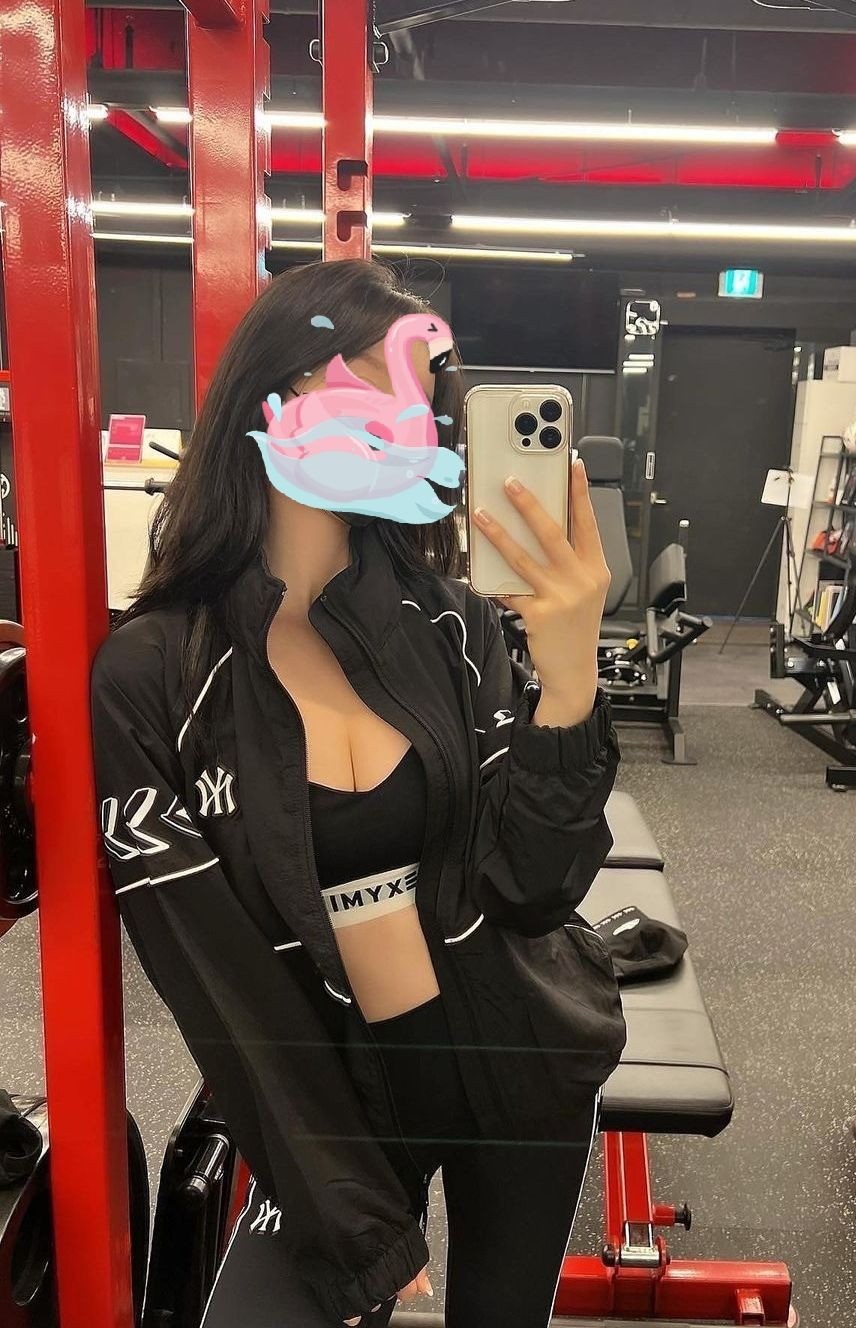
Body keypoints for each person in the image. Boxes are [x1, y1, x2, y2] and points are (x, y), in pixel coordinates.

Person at [90, 258, 626, 1328]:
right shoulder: (155, 678)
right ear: (275, 397)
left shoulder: (449, 622)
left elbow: (531, 888)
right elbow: (221, 985)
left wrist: (569, 685)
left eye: (421, 405)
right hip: (341, 1094)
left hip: (516, 1059)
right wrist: (352, 1221)